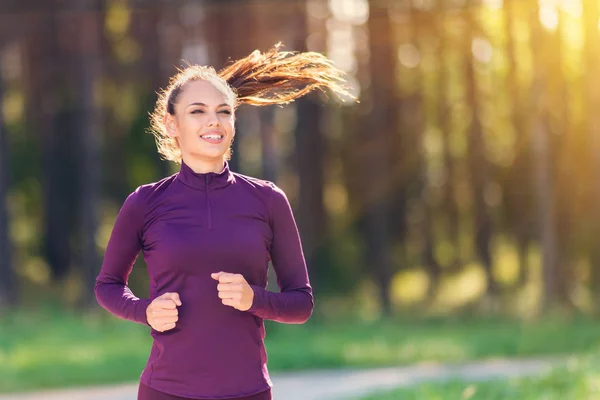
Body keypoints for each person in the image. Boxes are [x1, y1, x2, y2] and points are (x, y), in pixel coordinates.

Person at [94, 43, 354, 400]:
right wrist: (145, 311)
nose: (213, 121)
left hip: (248, 392)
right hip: (165, 391)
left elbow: (301, 303)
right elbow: (107, 285)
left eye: (224, 111)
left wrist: (254, 298)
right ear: (172, 124)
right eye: (197, 111)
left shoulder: (268, 200)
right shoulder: (144, 202)